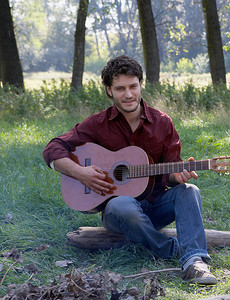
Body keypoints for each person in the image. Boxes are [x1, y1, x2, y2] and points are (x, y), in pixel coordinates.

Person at [42, 55, 217, 285]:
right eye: (120, 88)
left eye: (133, 86)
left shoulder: (162, 122)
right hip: (119, 213)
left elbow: (172, 176)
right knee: (121, 203)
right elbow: (53, 148)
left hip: (156, 207)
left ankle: (194, 262)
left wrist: (179, 176)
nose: (128, 94)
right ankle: (172, 249)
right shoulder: (97, 124)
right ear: (109, 90)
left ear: (140, 85)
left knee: (190, 190)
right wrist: (80, 172)